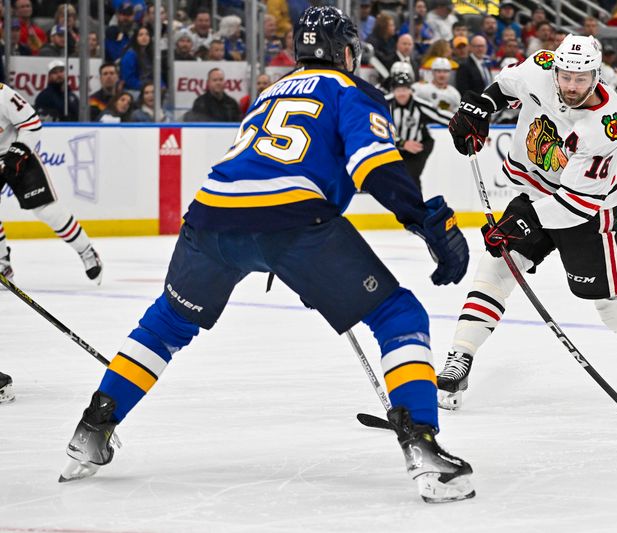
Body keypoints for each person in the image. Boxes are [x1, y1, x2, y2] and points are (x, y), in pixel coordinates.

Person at [59, 6, 473, 504]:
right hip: (293, 224)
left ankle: (92, 429)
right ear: (346, 51)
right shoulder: (351, 92)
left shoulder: (266, 94)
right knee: (398, 314)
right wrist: (424, 221)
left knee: (164, 325)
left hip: (209, 218)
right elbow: (375, 167)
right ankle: (424, 447)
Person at [441, 35, 617, 410]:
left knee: (611, 304)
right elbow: (505, 86)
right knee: (497, 266)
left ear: (597, 75)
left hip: (589, 213)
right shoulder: (541, 68)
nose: (571, 86)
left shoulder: (608, 121)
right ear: (556, 69)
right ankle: (460, 357)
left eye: (582, 79)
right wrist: (481, 107)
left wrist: (520, 227)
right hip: (535, 193)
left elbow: (577, 203)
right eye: (566, 76)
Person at [0, 83, 103, 284]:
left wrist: (17, 153)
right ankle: (3, 264)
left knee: (47, 210)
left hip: (17, 153)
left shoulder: (2, 94)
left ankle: (86, 251)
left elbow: (31, 123)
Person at [386, 69, 451, 190]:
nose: (402, 93)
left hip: (418, 146)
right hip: (393, 147)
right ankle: (402, 207)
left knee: (411, 177)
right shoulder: (384, 105)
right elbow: (378, 129)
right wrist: (402, 143)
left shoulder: (420, 105)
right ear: (393, 91)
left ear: (411, 90)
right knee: (394, 179)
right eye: (398, 90)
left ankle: (416, 208)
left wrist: (464, 123)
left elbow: (440, 116)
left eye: (405, 89)